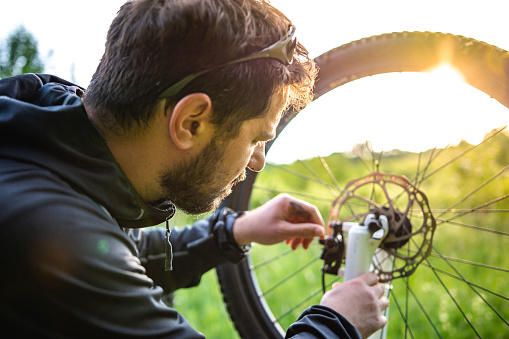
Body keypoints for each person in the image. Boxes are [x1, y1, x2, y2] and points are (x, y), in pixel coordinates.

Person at [0, 0, 389, 337]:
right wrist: (338, 323)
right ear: (190, 122)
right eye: (256, 138)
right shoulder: (46, 228)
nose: (258, 160)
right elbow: (93, 260)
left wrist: (237, 231)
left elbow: (123, 255)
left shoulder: (58, 147)